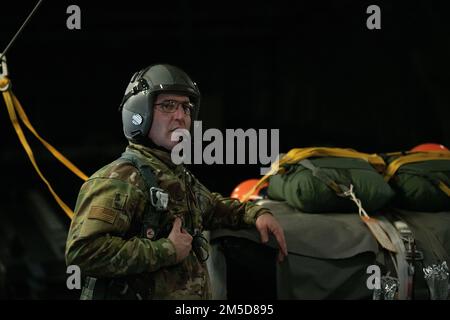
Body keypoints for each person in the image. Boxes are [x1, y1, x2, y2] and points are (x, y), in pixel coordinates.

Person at [65, 64, 287, 300]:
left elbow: (213, 207)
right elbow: (83, 253)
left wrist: (257, 214)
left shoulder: (176, 177)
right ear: (140, 112)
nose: (181, 116)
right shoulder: (121, 179)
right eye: (168, 106)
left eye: (186, 107)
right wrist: (166, 251)